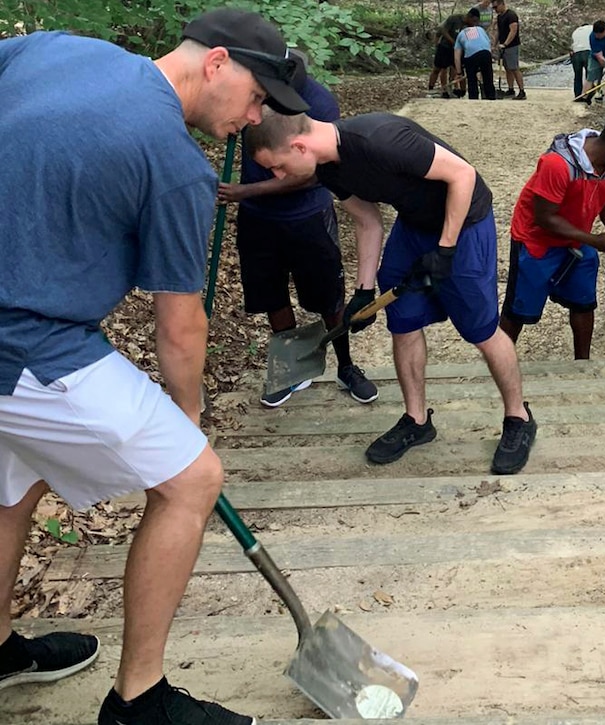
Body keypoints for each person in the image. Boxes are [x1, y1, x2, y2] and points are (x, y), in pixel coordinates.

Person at [0, 8, 307, 725]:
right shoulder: (173, 164)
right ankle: (139, 700)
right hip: (26, 344)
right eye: (259, 98)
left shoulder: (58, 52)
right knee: (192, 479)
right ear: (218, 63)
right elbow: (180, 326)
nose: (256, 118)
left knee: (13, 485)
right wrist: (188, 427)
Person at [246, 111, 538, 475]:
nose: (278, 177)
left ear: (299, 146)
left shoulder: (381, 139)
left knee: (480, 330)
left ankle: (518, 417)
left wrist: (445, 250)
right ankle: (417, 421)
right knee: (402, 322)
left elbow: (463, 174)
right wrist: (363, 290)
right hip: (413, 227)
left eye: (276, 167)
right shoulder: (325, 168)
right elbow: (368, 220)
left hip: (464, 223)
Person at [218, 52, 378, 408]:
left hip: (308, 216)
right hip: (259, 221)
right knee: (271, 295)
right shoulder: (253, 94)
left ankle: (347, 366)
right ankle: (291, 370)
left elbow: (311, 174)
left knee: (328, 297)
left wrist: (243, 192)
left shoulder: (318, 103)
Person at [499, 114, 605, 359]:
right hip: (536, 242)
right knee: (518, 310)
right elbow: (545, 218)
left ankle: (583, 365)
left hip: (577, 241)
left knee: (583, 302)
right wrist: (594, 240)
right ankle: (498, 365)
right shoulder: (558, 163)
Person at [454, 8, 497, 100]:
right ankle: (491, 97)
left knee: (472, 79)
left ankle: (473, 98)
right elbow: (488, 43)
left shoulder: (461, 34)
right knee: (488, 77)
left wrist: (459, 72)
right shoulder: (480, 29)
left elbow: (457, 56)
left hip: (471, 55)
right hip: (485, 53)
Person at [428, 11, 466, 98]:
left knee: (456, 69)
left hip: (457, 49)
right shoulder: (453, 19)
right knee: (440, 69)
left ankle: (456, 89)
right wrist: (437, 44)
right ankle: (436, 89)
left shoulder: (468, 26)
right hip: (445, 47)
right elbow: (441, 31)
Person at [493, 0, 525, 100]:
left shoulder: (511, 15)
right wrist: (495, 44)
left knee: (514, 68)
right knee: (507, 68)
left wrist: (506, 43)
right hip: (503, 46)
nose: (495, 10)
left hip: (512, 46)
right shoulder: (499, 17)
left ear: (502, 4)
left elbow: (513, 30)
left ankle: (522, 91)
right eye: (493, 8)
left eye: (496, 7)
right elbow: (499, 31)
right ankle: (510, 89)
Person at [570, 23, 593, 103]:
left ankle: (578, 95)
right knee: (589, 76)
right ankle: (587, 96)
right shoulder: (592, 28)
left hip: (576, 53)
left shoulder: (576, 31)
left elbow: (572, 44)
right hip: (588, 52)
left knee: (577, 76)